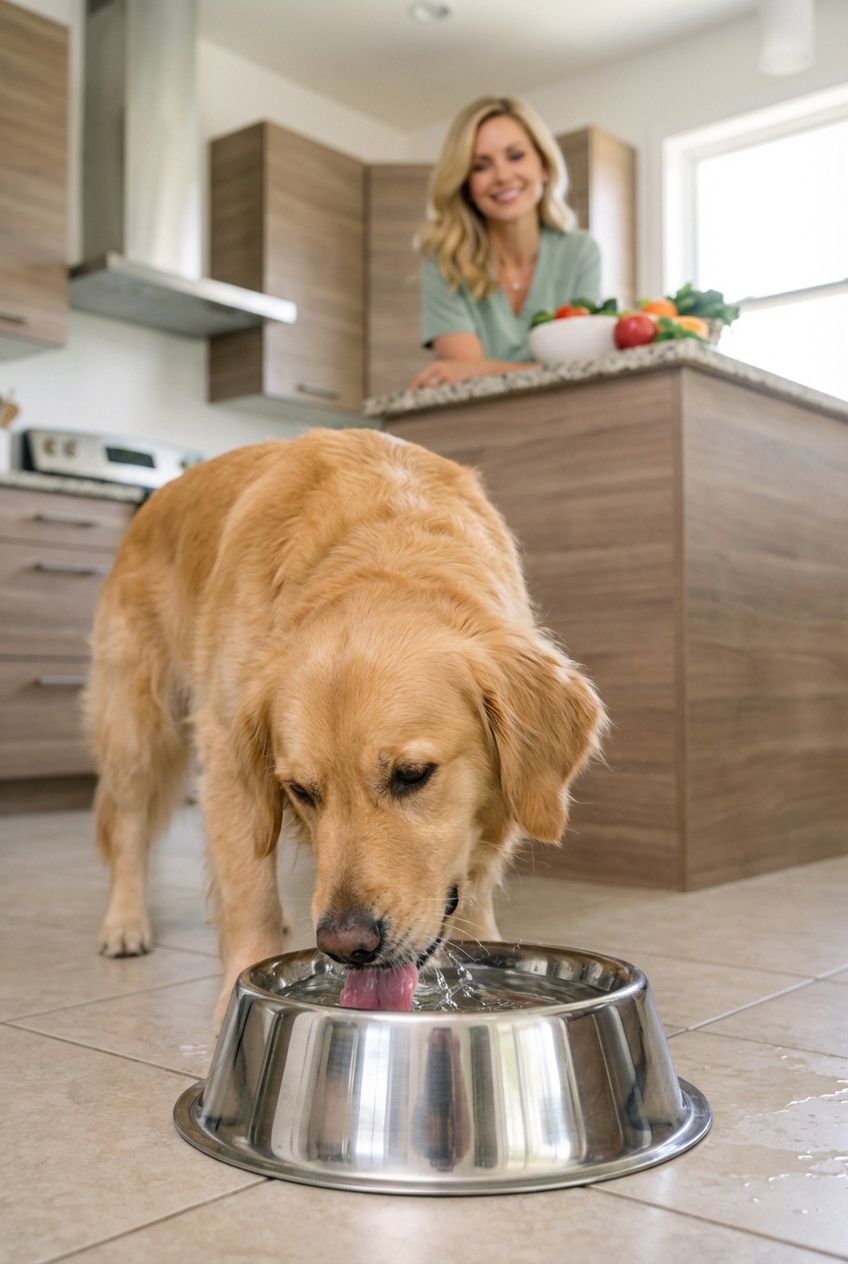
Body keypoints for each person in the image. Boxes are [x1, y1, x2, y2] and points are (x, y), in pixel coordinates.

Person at [412, 96, 601, 390]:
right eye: (481, 166)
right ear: (465, 184)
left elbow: (582, 371)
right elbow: (465, 382)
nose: (502, 176)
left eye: (515, 156)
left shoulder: (579, 253)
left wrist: (480, 370)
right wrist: (545, 371)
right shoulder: (445, 262)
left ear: (544, 167)